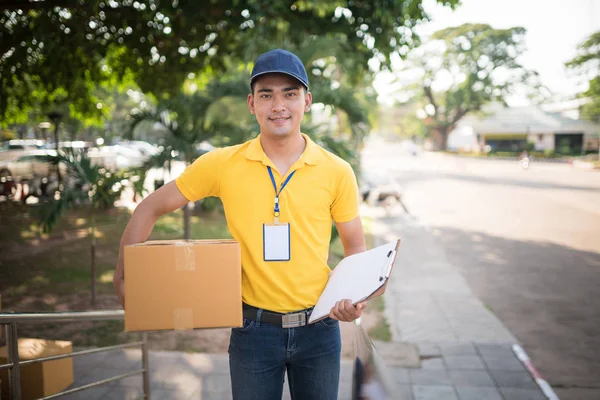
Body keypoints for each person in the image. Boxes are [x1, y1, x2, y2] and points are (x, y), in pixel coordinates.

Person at [113, 48, 367, 399]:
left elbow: (355, 246)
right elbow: (150, 208)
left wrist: (353, 296)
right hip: (253, 332)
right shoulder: (222, 164)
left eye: (289, 94)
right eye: (266, 95)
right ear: (252, 103)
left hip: (319, 330)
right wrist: (124, 271)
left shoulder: (336, 171)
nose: (278, 105)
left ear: (307, 101)